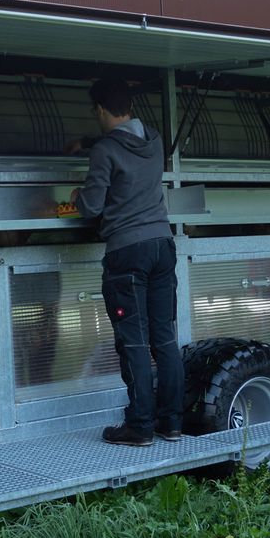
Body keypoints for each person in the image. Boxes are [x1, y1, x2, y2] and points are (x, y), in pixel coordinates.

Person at [71, 78, 184, 447]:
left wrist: (77, 193)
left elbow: (92, 206)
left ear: (101, 110)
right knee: (164, 339)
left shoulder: (104, 152)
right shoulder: (153, 142)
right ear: (129, 107)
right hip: (163, 246)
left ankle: (139, 426)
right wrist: (90, 143)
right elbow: (124, 146)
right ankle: (171, 423)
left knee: (134, 343)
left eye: (95, 112)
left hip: (128, 253)